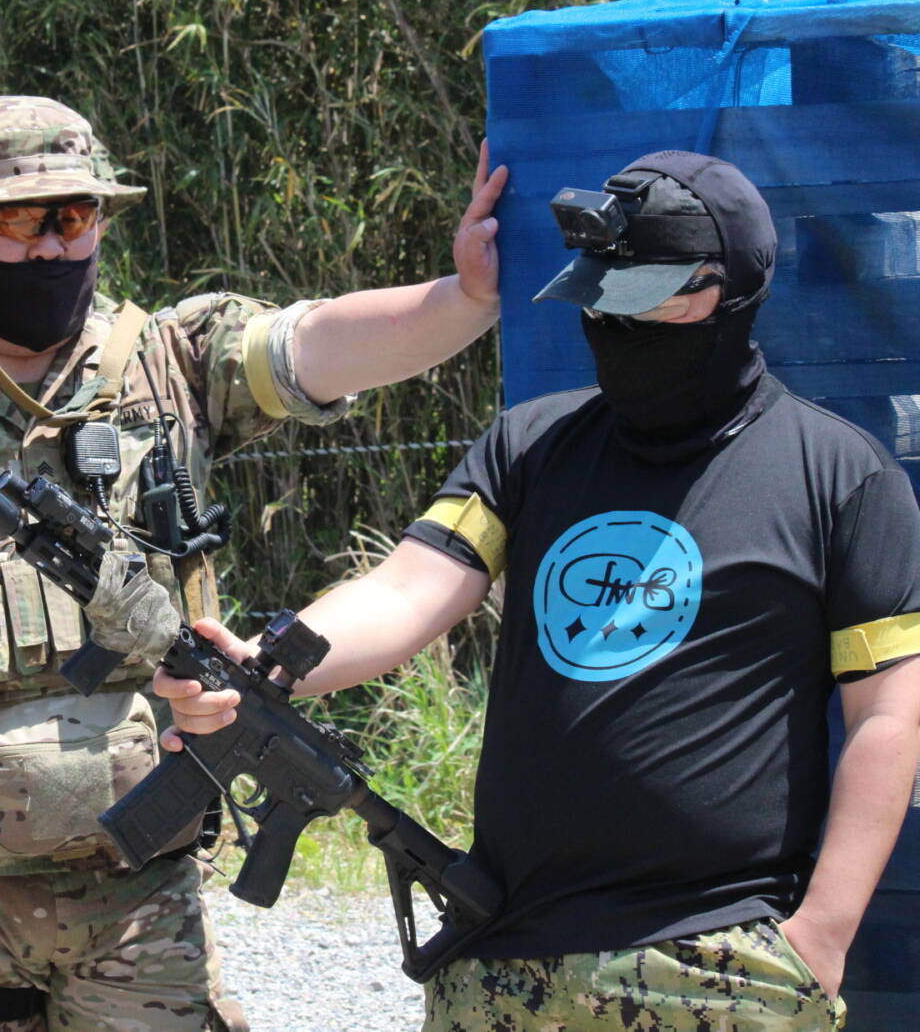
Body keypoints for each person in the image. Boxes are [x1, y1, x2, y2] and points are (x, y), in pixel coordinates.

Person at [0, 95, 506, 1030]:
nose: (52, 246)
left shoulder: (170, 359)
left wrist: (465, 297)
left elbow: (319, 343)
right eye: (18, 221)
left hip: (138, 907)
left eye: (76, 216)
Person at [159, 150, 920, 1030]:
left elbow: (888, 716)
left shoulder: (839, 476)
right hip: (503, 958)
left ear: (732, 290)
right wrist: (267, 665)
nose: (617, 324)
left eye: (648, 302)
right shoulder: (530, 445)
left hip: (719, 966)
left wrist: (820, 937)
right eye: (601, 300)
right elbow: (408, 592)